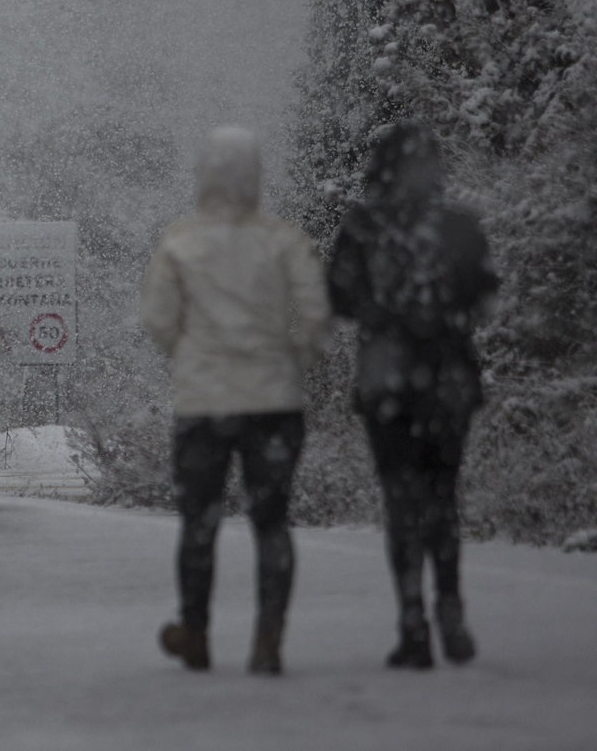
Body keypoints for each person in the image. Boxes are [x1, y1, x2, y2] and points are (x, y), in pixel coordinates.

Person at [141, 127, 330, 674]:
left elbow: (156, 319)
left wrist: (189, 353)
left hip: (204, 404)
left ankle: (195, 631)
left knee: (198, 520)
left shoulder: (180, 242)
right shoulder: (282, 240)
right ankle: (268, 639)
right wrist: (298, 358)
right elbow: (316, 311)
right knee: (272, 522)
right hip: (274, 400)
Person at [327, 122, 497, 669]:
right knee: (442, 495)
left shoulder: (360, 227)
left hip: (388, 380)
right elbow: (485, 302)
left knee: (401, 500)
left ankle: (412, 622)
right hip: (448, 379)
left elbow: (340, 300)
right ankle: (450, 606)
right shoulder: (461, 226)